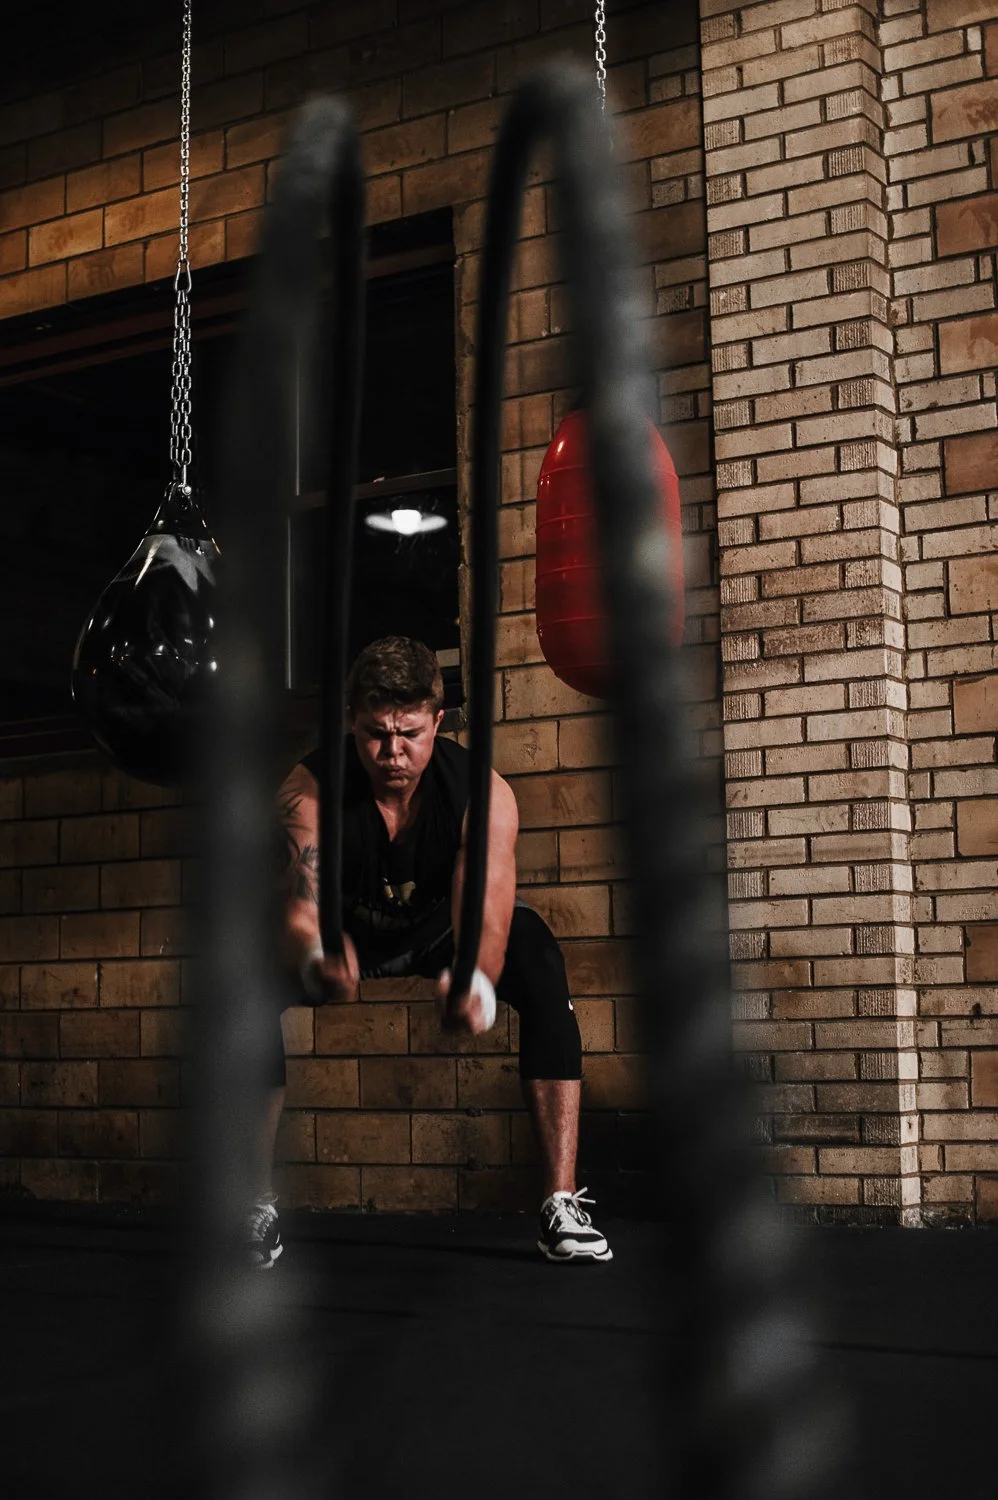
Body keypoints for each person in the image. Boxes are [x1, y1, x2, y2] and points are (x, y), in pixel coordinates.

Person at [246, 635, 612, 1269]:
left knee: (539, 955)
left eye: (409, 733)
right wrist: (314, 958)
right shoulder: (306, 791)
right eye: (374, 734)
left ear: (438, 721)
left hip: (443, 931)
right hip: (344, 937)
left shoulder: (481, 792)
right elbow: (298, 908)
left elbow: (489, 906)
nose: (392, 752)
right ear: (352, 725)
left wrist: (477, 979)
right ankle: (251, 1204)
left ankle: (559, 1202)